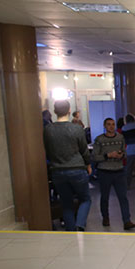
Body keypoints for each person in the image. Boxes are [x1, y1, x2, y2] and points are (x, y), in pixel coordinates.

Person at [43, 99, 91, 231]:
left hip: (58, 170)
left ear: (54, 111)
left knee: (66, 203)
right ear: (69, 110)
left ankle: (70, 231)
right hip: (77, 169)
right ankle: (80, 225)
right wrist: (88, 164)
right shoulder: (76, 128)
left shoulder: (48, 130)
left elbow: (47, 150)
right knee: (85, 199)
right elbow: (84, 150)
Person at [92, 118, 135, 230]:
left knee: (123, 197)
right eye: (108, 124)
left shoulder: (120, 138)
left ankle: (127, 220)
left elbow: (125, 153)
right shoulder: (99, 140)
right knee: (105, 197)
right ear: (105, 126)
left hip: (119, 170)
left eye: (113, 124)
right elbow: (94, 157)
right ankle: (105, 217)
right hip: (105, 171)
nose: (111, 127)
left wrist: (120, 155)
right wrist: (108, 155)